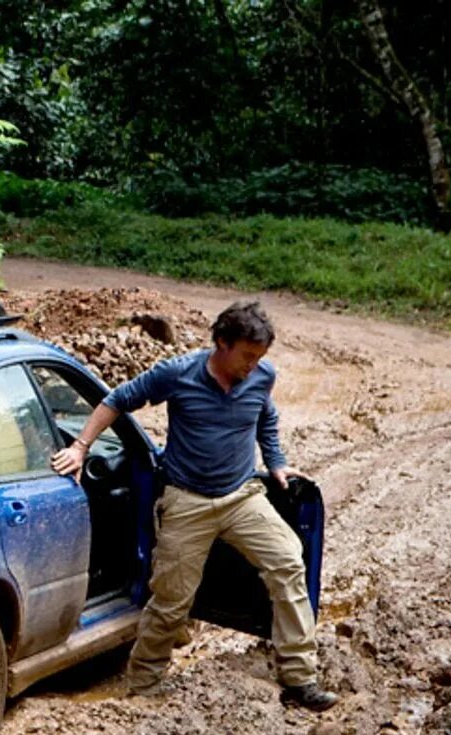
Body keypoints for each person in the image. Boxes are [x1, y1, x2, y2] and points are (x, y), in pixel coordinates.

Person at [50, 300, 338, 712]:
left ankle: (299, 676)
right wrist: (81, 446)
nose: (254, 366)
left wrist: (275, 462)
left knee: (289, 564)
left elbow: (266, 419)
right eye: (247, 356)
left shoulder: (262, 377)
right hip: (187, 501)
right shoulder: (178, 374)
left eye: (260, 358)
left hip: (242, 497)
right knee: (171, 597)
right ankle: (143, 684)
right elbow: (117, 399)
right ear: (221, 343)